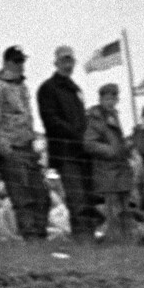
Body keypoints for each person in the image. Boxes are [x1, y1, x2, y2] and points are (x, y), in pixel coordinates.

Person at [0, 47, 48, 239]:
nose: (20, 66)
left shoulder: (22, 86)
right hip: (11, 149)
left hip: (28, 146)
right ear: (7, 63)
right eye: (16, 61)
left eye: (22, 61)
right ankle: (31, 238)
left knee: (42, 195)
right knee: (23, 199)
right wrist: (4, 148)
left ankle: (40, 236)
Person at [37, 46, 93, 239]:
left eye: (71, 60)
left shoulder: (75, 89)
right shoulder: (47, 88)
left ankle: (88, 237)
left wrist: (88, 137)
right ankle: (83, 239)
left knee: (87, 197)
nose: (68, 64)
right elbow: (51, 121)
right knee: (76, 197)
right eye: (64, 60)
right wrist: (78, 136)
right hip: (65, 152)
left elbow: (83, 120)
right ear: (56, 62)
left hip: (83, 152)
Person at [82, 81, 136, 245]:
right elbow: (89, 143)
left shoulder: (113, 116)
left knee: (125, 209)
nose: (110, 101)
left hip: (119, 169)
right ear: (101, 99)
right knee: (113, 210)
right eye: (107, 98)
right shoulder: (96, 118)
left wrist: (127, 146)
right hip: (107, 170)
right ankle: (116, 242)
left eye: (113, 98)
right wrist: (113, 150)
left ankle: (127, 242)